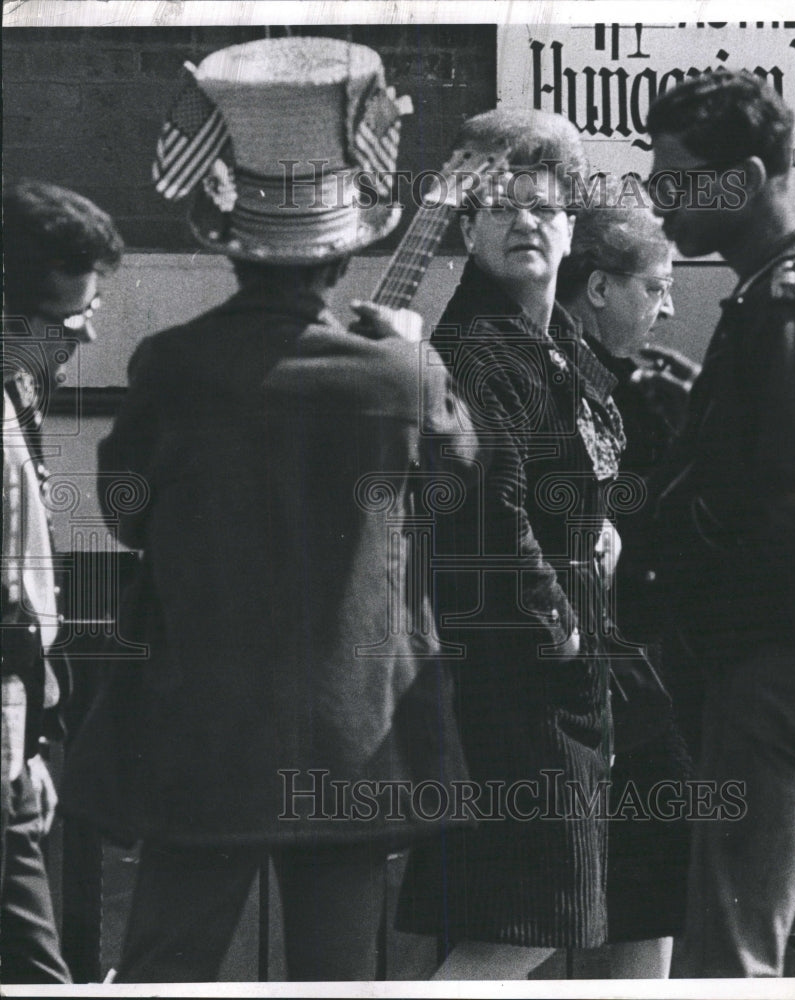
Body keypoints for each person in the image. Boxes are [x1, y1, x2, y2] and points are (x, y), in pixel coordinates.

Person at [60, 36, 476, 983]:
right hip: (354, 739)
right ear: (344, 255)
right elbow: (457, 488)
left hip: (201, 733)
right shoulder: (402, 372)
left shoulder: (169, 365)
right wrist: (421, 358)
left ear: (232, 249)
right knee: (333, 973)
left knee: (168, 963)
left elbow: (126, 515)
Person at [396, 109, 624, 979]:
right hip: (515, 674)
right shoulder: (481, 345)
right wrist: (558, 628)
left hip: (552, 666)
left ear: (572, 225)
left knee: (506, 917)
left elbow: (564, 466)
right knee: (523, 920)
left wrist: (595, 519)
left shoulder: (552, 341)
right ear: (468, 227)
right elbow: (488, 510)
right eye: (503, 206)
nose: (527, 221)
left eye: (546, 206)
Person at [646, 69, 795, 978]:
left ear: (744, 181)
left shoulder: (783, 306)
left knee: (730, 956)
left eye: (676, 182)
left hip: (776, 671)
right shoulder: (787, 290)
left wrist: (679, 548)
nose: (659, 204)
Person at [556, 191, 696, 979]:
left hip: (624, 676)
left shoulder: (640, 389)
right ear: (600, 287)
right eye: (656, 287)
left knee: (647, 870)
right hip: (584, 671)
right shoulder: (576, 384)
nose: (670, 309)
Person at [2, 179, 124, 983]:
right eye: (71, 316)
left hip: (21, 720)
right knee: (39, 967)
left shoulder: (17, 390)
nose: (86, 332)